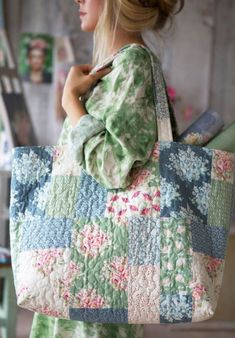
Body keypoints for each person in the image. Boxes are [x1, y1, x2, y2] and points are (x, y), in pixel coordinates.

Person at [29, 0, 184, 337]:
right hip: (76, 262)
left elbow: (114, 168)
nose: (78, 0)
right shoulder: (113, 68)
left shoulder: (134, 63)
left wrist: (72, 104)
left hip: (98, 267)